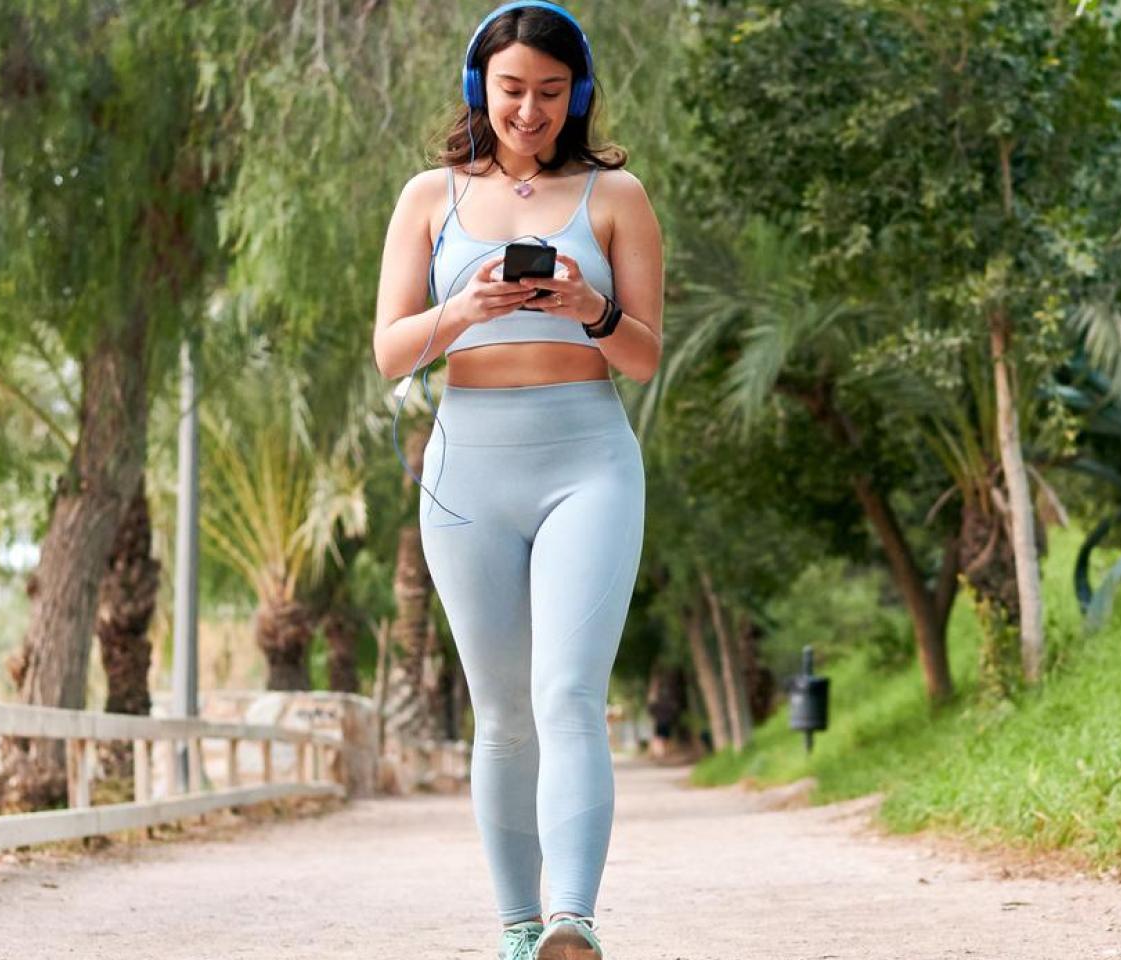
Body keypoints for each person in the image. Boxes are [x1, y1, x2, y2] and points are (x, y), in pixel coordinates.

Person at [371, 3, 662, 958]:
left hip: (589, 459)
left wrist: (589, 306)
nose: (529, 112)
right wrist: (462, 310)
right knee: (500, 710)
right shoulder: (429, 197)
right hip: (467, 465)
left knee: (569, 695)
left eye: (548, 92)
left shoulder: (618, 197)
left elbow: (645, 359)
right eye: (510, 91)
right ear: (477, 90)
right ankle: (517, 928)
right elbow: (390, 354)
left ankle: (572, 922)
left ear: (575, 94)